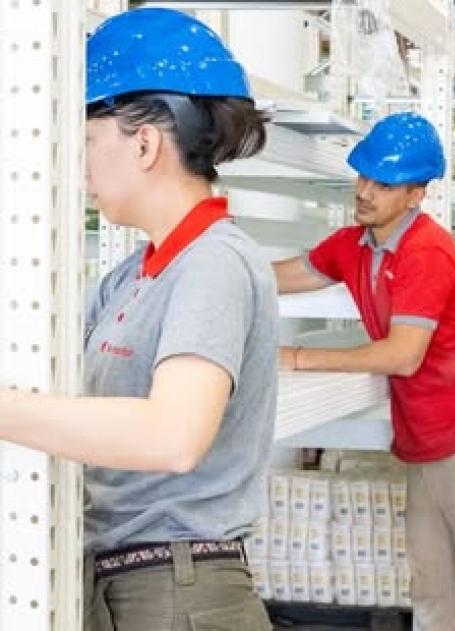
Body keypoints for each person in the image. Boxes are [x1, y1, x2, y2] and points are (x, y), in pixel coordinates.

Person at [0, 8, 276, 629]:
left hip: (178, 593)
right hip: (124, 582)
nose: (80, 165)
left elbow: (172, 437)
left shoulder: (214, 264)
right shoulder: (134, 276)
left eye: (88, 140)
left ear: (145, 142)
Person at [271, 112, 455, 630]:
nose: (365, 190)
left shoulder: (428, 251)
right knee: (434, 595)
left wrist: (295, 357)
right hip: (427, 442)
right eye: (363, 175)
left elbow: (403, 355)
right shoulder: (354, 244)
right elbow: (289, 274)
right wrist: (219, 269)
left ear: (416, 194)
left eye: (384, 183)